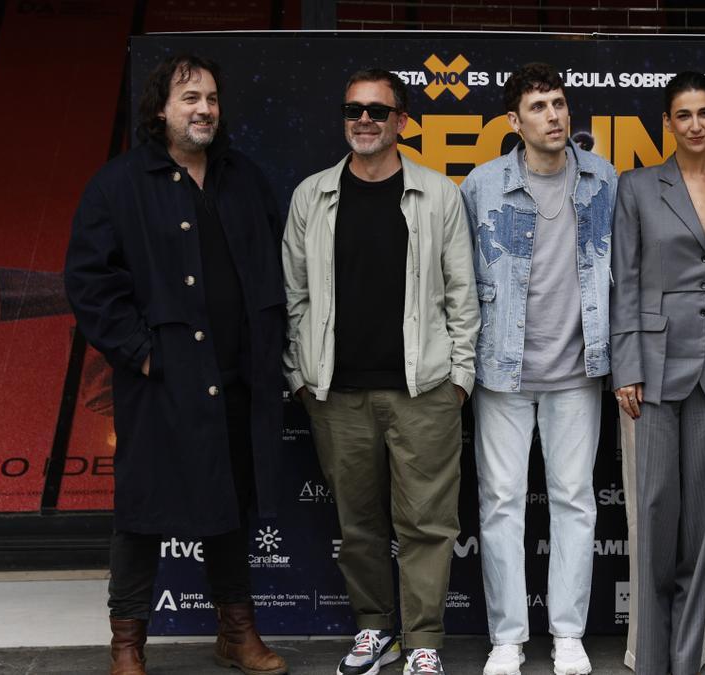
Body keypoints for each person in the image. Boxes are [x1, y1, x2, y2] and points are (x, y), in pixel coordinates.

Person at [65, 54, 287, 675]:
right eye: (190, 98)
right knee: (141, 512)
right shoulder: (117, 184)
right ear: (160, 109)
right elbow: (88, 283)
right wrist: (140, 354)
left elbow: (275, 268)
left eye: (212, 98)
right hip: (160, 382)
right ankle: (126, 645)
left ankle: (236, 633)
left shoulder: (244, 179)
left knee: (229, 505)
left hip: (238, 377)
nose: (204, 109)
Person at [282, 69, 478, 675]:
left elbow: (461, 296)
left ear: (401, 122)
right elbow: (295, 298)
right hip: (336, 394)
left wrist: (461, 378)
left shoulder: (438, 193)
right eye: (352, 109)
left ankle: (423, 643)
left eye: (377, 109)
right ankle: (374, 631)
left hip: (424, 392)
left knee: (426, 524)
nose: (363, 119)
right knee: (358, 526)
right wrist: (301, 376)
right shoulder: (310, 196)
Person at [460, 62, 616, 675]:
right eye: (539, 107)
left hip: (578, 370)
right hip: (502, 372)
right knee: (500, 503)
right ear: (513, 122)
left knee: (575, 500)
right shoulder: (482, 185)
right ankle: (508, 638)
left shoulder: (604, 180)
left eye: (559, 103)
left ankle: (568, 634)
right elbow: (462, 280)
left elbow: (624, 273)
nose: (554, 115)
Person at [609, 71, 705, 675]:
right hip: (649, 369)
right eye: (683, 115)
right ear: (667, 124)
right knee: (652, 513)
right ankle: (648, 656)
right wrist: (625, 363)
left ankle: (687, 655)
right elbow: (622, 277)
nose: (695, 124)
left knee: (704, 523)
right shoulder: (638, 187)